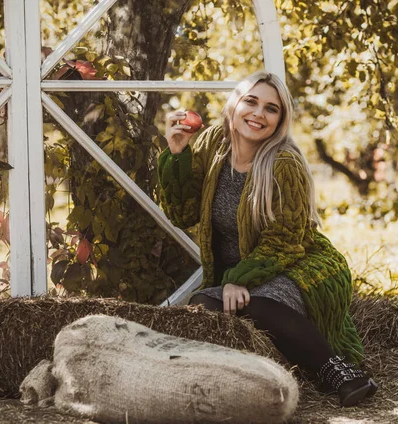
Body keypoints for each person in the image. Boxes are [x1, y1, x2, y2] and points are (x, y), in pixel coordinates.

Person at [157, 71, 378, 407]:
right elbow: (183, 214)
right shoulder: (214, 144)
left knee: (255, 304)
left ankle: (337, 370)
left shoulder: (283, 163)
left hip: (299, 264)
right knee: (202, 306)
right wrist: (177, 154)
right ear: (234, 105)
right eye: (251, 101)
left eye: (271, 108)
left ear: (280, 120)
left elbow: (286, 240)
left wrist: (236, 280)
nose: (259, 113)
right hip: (248, 272)